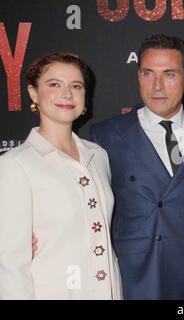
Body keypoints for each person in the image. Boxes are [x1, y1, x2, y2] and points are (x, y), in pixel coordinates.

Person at [90, 34, 184, 299]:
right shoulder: (107, 135)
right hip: (136, 275)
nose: (157, 86)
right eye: (148, 74)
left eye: (169, 74)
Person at [0, 52, 122, 299]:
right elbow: (11, 265)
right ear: (33, 93)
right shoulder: (16, 165)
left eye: (76, 86)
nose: (67, 94)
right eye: (54, 84)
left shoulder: (98, 156)